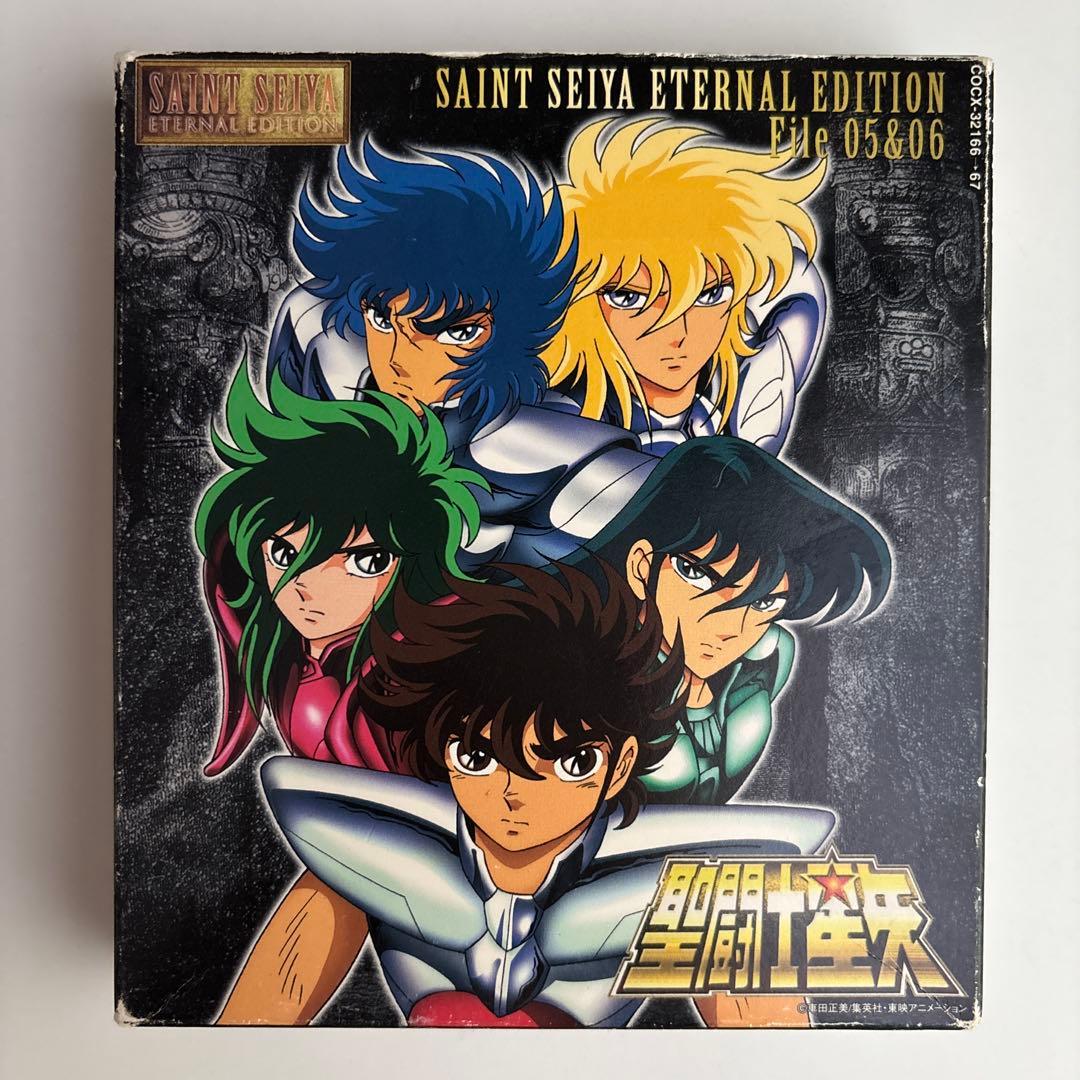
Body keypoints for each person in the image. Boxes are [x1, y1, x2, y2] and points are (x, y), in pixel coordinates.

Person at [216, 563, 831, 1027]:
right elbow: (246, 1038)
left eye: (571, 762)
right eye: (478, 759)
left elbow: (769, 1048)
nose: (516, 795)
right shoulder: (374, 843)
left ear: (620, 765)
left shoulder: (679, 879)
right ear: (443, 751)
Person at [194, 363, 482, 775]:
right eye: (283, 553)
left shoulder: (418, 673)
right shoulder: (279, 653)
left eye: (365, 562)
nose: (308, 588)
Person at [580, 436, 891, 804]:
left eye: (765, 601)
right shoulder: (592, 670)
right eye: (698, 576)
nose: (730, 627)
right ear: (642, 566)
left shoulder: (763, 662)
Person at [542, 117, 827, 455]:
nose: (677, 333)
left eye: (709, 294)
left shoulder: (738, 398)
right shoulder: (563, 417)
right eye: (629, 298)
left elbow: (799, 284)